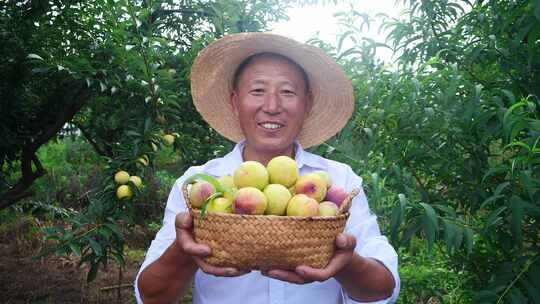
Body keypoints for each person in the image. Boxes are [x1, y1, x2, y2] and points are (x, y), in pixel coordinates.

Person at [135, 32, 400, 304]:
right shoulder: (199, 186)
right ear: (235, 102)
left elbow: (383, 289)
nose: (272, 106)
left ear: (307, 104)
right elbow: (152, 297)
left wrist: (346, 262)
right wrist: (184, 249)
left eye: (287, 92)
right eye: (257, 91)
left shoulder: (338, 184)